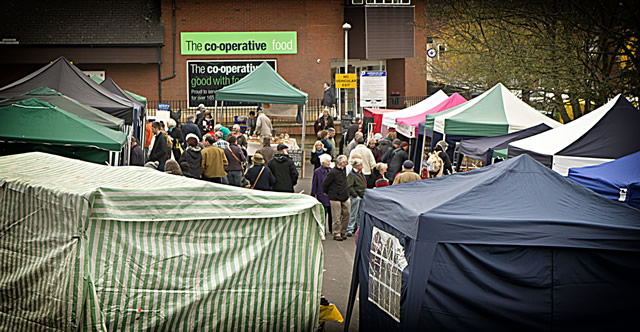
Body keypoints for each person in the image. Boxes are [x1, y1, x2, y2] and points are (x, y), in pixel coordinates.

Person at [322, 155, 350, 241]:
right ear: (341, 163)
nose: (346, 164)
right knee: (336, 216)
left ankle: (343, 231)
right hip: (335, 196)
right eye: (345, 162)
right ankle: (337, 232)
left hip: (344, 195)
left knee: (347, 213)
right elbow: (325, 184)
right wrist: (327, 193)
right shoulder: (333, 173)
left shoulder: (344, 170)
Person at [311, 154, 333, 234]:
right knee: (323, 213)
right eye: (328, 162)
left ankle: (331, 228)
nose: (329, 163)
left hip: (330, 194)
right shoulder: (317, 172)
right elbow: (314, 183)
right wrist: (313, 194)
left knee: (331, 213)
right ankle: (322, 228)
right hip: (321, 194)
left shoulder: (331, 170)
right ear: (323, 162)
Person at [347, 158, 366, 237]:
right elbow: (349, 186)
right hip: (356, 196)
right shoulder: (352, 174)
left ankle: (358, 228)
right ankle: (350, 229)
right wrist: (355, 195)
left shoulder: (360, 173)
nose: (362, 166)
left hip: (361, 196)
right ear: (357, 166)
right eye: (361, 165)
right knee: (353, 213)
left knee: (360, 213)